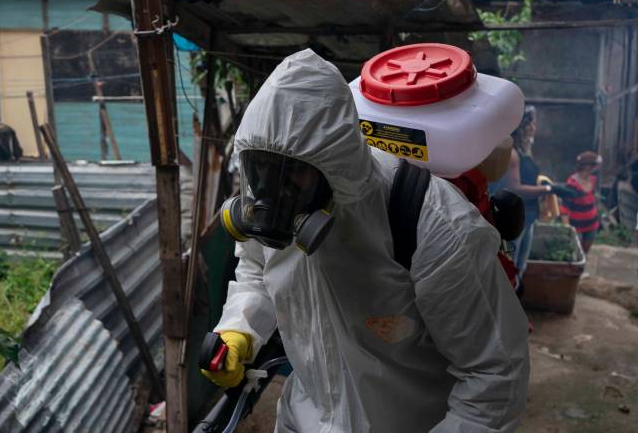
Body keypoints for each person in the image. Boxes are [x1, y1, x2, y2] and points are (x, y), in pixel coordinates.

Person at [203, 50, 529, 432]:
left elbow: (494, 377)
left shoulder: (436, 228)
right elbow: (257, 267)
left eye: (293, 177)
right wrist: (240, 326)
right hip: (303, 417)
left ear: (335, 167)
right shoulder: (271, 209)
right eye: (261, 171)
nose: (274, 194)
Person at [499, 106, 553, 279]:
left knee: (520, 266)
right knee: (509, 264)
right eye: (533, 123)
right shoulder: (512, 153)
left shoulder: (525, 151)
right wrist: (548, 189)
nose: (535, 127)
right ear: (524, 126)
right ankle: (505, 303)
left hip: (529, 215)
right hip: (514, 218)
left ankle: (516, 299)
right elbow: (515, 188)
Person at [559, 151, 602, 254]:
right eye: (593, 165)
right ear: (587, 166)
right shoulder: (572, 184)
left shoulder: (593, 180)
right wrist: (568, 229)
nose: (595, 168)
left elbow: (593, 199)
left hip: (592, 224)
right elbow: (565, 209)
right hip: (576, 226)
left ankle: (582, 269)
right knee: (575, 253)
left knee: (585, 253)